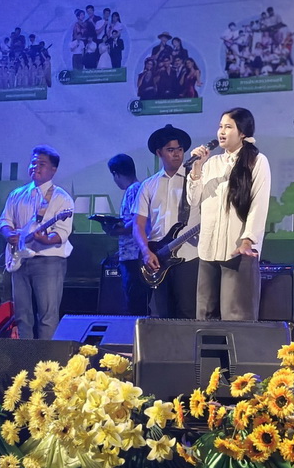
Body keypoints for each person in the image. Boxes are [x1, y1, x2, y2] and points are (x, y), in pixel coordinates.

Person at [187, 108, 271, 321]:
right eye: (220, 126)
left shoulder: (257, 161)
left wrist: (248, 240)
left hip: (238, 250)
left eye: (228, 127)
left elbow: (259, 204)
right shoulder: (211, 163)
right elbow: (193, 201)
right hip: (208, 250)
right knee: (204, 314)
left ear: (242, 132)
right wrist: (197, 168)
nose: (221, 132)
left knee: (236, 315)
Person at [0, 145, 74, 340]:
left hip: (48, 261)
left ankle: (46, 358)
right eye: (33, 163)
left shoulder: (62, 198)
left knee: (47, 316)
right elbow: (4, 220)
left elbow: (62, 233)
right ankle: (25, 354)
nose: (35, 167)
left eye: (41, 164)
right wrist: (9, 234)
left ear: (53, 169)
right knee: (22, 315)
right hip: (20, 259)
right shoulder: (17, 194)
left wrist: (45, 239)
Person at [133, 125, 199, 318]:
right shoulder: (148, 185)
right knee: (161, 313)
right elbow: (138, 224)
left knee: (187, 311)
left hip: (189, 256)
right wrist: (146, 251)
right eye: (170, 150)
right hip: (158, 256)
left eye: (180, 149)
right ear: (159, 153)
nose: (176, 154)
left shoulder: (195, 181)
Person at [108, 154, 150, 315]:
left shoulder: (133, 189)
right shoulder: (137, 188)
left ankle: (135, 330)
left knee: (135, 302)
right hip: (131, 254)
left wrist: (116, 230)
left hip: (134, 256)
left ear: (116, 174)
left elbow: (136, 221)